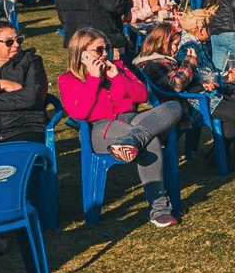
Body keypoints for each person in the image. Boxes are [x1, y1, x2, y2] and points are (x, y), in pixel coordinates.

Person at [58, 28, 184, 228]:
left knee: (174, 106)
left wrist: (117, 76)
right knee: (151, 139)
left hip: (133, 120)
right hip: (100, 128)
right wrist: (94, 79)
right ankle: (159, 208)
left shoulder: (118, 68)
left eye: (107, 48)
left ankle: (133, 141)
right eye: (98, 50)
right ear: (82, 53)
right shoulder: (68, 79)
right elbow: (79, 113)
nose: (105, 54)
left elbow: (142, 96)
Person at [133, 20, 235, 163]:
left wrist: (203, 84)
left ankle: (220, 151)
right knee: (234, 113)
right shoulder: (152, 64)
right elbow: (176, 85)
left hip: (189, 96)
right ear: (164, 43)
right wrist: (189, 63)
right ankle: (220, 156)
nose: (176, 49)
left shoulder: (164, 59)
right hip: (181, 104)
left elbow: (182, 81)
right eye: (175, 44)